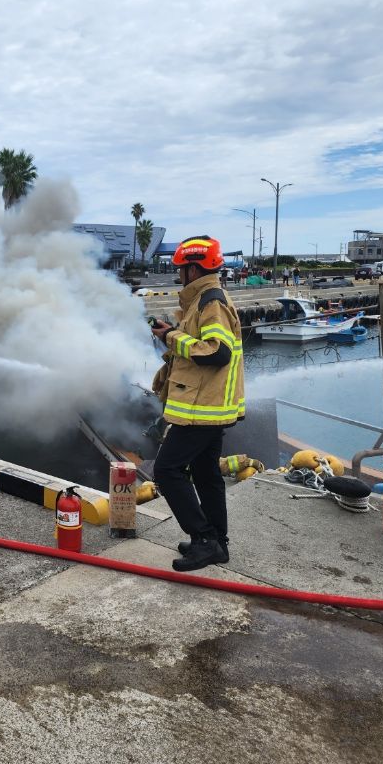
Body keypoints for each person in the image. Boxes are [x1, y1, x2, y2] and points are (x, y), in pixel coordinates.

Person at [150, 236, 245, 571]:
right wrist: (174, 332)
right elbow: (206, 343)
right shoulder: (203, 300)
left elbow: (217, 352)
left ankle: (204, 539)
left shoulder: (210, 302)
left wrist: (171, 337)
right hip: (210, 407)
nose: (178, 275)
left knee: (166, 470)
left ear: (193, 268)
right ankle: (217, 542)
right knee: (206, 475)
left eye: (181, 269)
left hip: (201, 409)